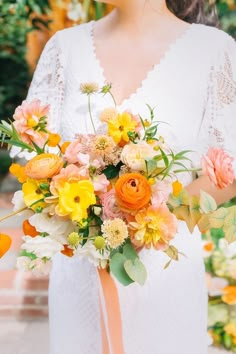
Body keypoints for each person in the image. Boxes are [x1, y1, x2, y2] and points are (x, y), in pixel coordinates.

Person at [27, 1, 236, 353]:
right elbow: (35, 152)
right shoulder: (64, 48)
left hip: (166, 276)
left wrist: (150, 219)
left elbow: (229, 168)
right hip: (80, 277)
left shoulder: (214, 51)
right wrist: (83, 212)